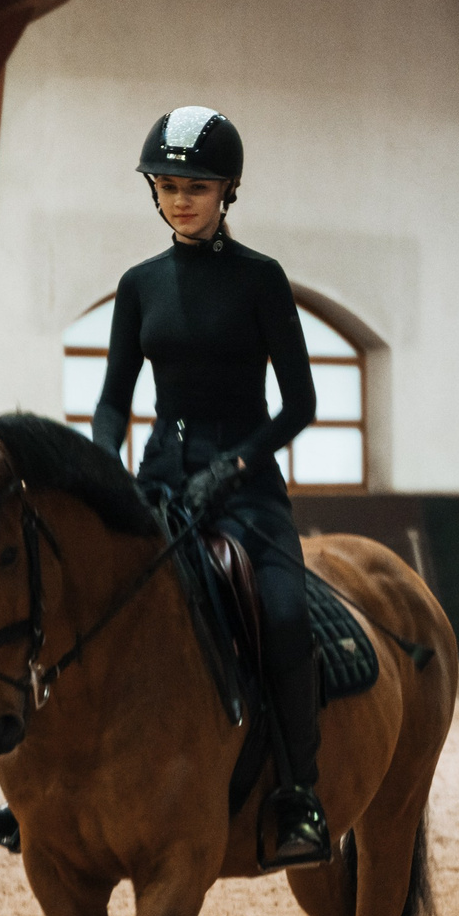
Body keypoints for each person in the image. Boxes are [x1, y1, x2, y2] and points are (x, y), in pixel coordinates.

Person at [89, 106, 331, 869]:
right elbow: (111, 398)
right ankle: (53, 786)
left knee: (286, 614)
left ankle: (301, 794)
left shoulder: (261, 281)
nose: (180, 197)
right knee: (82, 602)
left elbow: (301, 403)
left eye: (195, 185)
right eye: (166, 183)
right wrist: (105, 460)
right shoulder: (139, 286)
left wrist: (233, 467)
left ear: (227, 190)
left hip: (246, 480)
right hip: (159, 473)